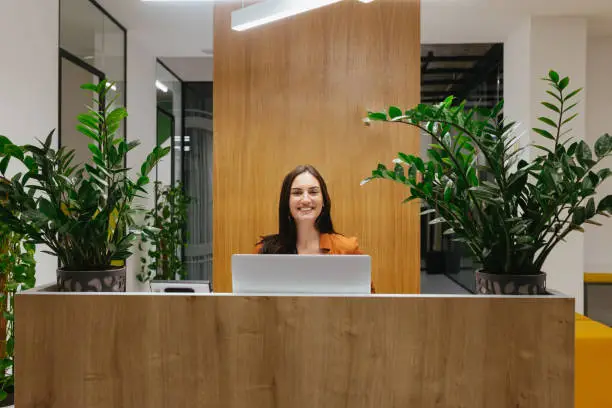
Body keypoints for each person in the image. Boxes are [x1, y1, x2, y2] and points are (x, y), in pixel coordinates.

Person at [255, 164, 374, 292]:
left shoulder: (347, 249)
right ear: (286, 201)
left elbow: (367, 304)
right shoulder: (264, 251)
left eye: (313, 192)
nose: (305, 199)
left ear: (323, 201)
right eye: (297, 193)